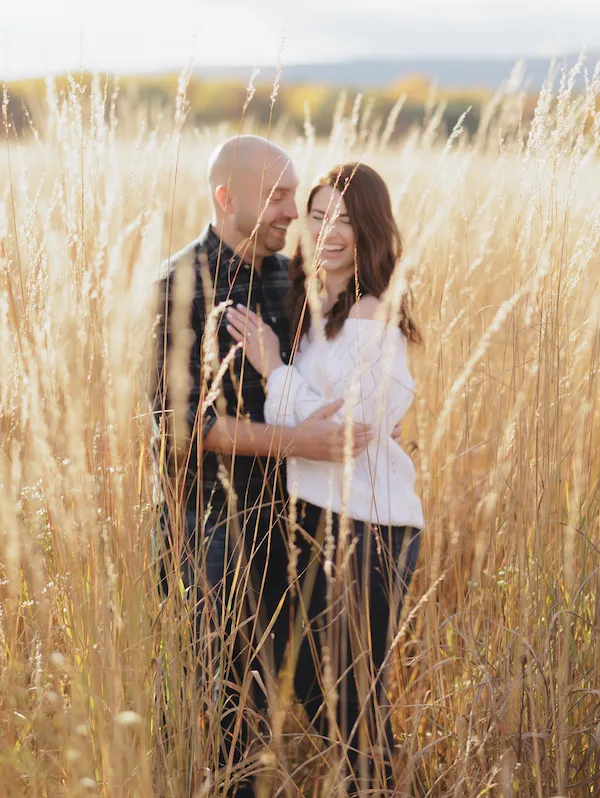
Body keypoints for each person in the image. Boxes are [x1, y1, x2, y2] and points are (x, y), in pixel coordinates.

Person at [151, 137, 373, 797]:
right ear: (227, 197)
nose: (290, 211)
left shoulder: (290, 273)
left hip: (304, 524)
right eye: (276, 195)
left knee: (338, 695)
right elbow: (178, 427)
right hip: (214, 530)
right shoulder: (180, 282)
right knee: (231, 718)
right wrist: (296, 442)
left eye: (293, 195)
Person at [225, 162, 425, 793]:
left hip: (370, 532)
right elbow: (330, 418)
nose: (328, 231)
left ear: (370, 228)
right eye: (317, 216)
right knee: (330, 691)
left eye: (344, 218)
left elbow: (343, 434)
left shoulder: (367, 313)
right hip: (330, 521)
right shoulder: (325, 310)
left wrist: (270, 367)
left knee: (352, 702)